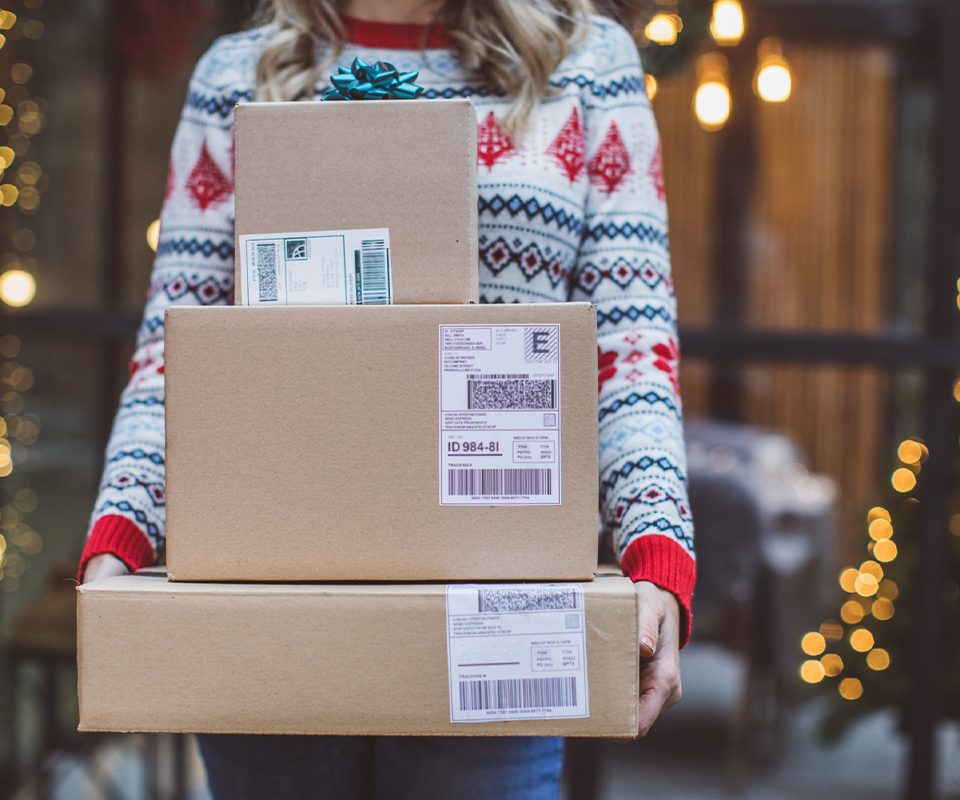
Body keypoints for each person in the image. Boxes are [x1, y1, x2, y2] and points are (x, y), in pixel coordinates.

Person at [79, 1, 696, 797]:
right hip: (273, 598)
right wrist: (119, 534)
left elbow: (630, 343)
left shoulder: (585, 64)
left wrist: (658, 552)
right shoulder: (241, 76)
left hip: (499, 600)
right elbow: (179, 343)